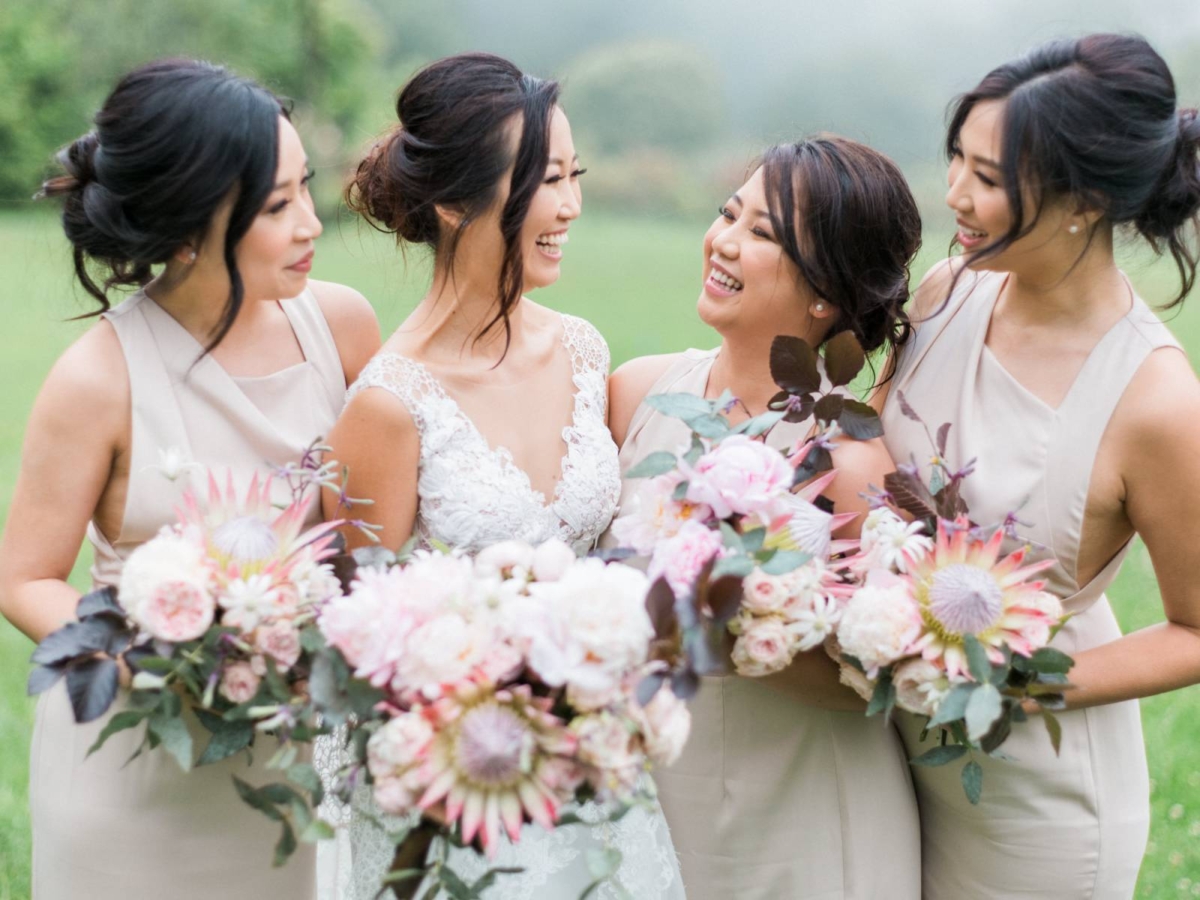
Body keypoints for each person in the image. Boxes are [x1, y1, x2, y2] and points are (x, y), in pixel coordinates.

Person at [0, 58, 380, 900]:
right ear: (184, 229)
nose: (314, 223)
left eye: (304, 188)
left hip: (291, 764)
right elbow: (24, 577)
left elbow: (374, 531)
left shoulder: (343, 327)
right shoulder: (98, 378)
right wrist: (163, 658)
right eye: (279, 207)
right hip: (133, 775)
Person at [324, 52, 684, 899]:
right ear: (453, 203)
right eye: (544, 179)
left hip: (597, 783)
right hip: (460, 801)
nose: (569, 205)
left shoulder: (586, 351)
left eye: (572, 174)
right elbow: (357, 648)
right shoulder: (387, 404)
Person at [875, 33, 1200, 898]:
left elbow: (1197, 629)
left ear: (1083, 201)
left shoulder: (1157, 400)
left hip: (1040, 806)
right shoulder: (946, 293)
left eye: (987, 178)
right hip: (893, 760)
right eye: (957, 162)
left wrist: (1013, 687)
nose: (954, 195)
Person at [606, 135, 923, 900]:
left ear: (825, 294)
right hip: (654, 800)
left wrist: (738, 620)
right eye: (727, 213)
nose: (722, 241)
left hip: (803, 819)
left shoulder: (848, 460)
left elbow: (874, 684)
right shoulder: (636, 392)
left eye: (762, 233)